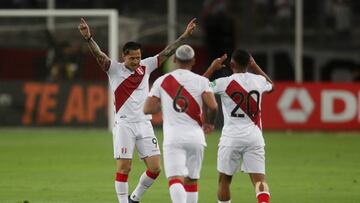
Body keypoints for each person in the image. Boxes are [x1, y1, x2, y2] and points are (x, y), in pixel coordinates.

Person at [78, 18, 197, 203]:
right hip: (124, 124)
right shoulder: (114, 69)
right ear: (123, 56)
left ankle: (135, 198)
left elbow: (167, 51)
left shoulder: (146, 66)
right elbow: (99, 55)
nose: (135, 61)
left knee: (155, 168)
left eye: (138, 57)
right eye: (131, 58)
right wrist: (88, 38)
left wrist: (184, 36)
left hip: (144, 123)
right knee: (124, 167)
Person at [143, 44, 219, 203]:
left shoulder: (162, 81)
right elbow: (213, 106)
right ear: (193, 61)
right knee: (192, 180)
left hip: (173, 138)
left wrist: (164, 103)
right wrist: (210, 124)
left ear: (175, 59)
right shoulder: (201, 81)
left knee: (175, 179)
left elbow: (147, 109)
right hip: (196, 138)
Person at [203, 49, 274, 203]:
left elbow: (198, 86)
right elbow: (272, 86)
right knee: (259, 180)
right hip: (254, 137)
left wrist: (212, 68)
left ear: (232, 64)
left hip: (231, 138)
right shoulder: (259, 81)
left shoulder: (223, 83)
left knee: (224, 180)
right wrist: (255, 67)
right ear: (249, 63)